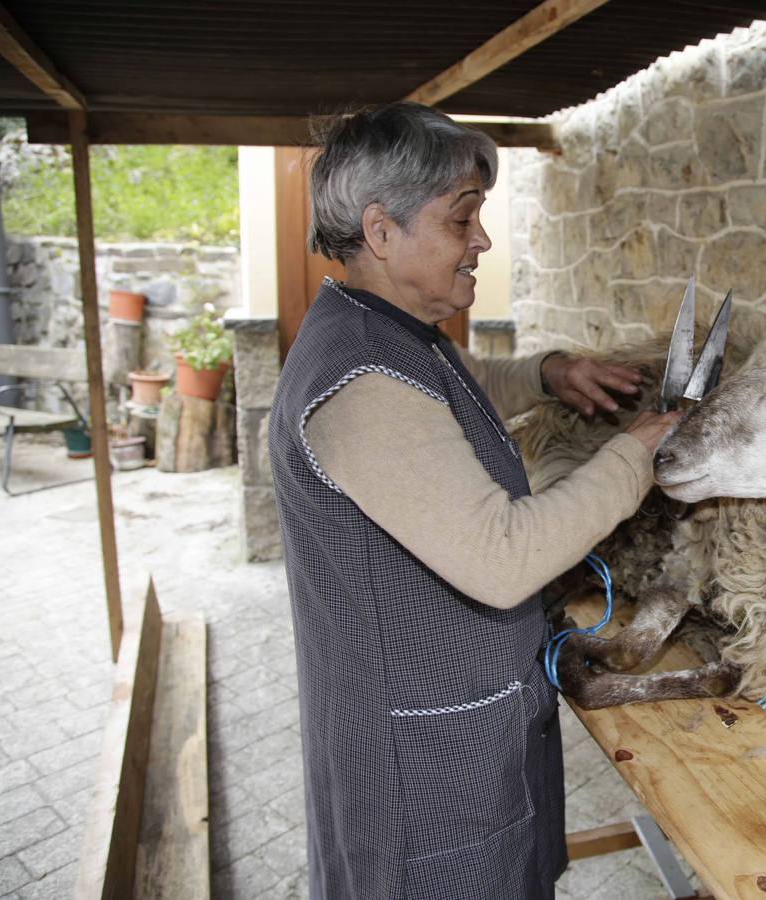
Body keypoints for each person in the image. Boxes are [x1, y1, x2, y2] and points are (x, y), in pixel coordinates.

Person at [268, 102, 679, 899]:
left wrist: (548, 374)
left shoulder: (386, 331)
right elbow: (504, 556)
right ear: (382, 232)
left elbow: (456, 383)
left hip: (458, 728)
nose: (482, 240)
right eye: (463, 220)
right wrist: (637, 454)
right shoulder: (361, 383)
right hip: (422, 775)